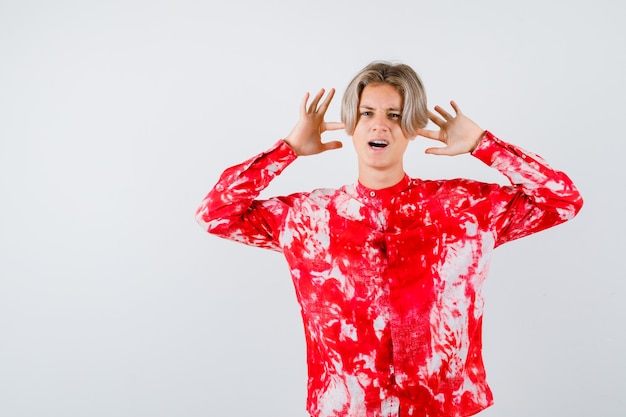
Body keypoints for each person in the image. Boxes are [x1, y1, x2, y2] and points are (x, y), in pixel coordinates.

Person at [195, 61, 583, 417]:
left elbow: (562, 200)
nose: (379, 125)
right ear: (352, 124)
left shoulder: (462, 209)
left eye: (395, 116)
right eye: (367, 113)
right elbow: (214, 213)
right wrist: (288, 150)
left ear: (412, 128)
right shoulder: (308, 218)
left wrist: (485, 144)